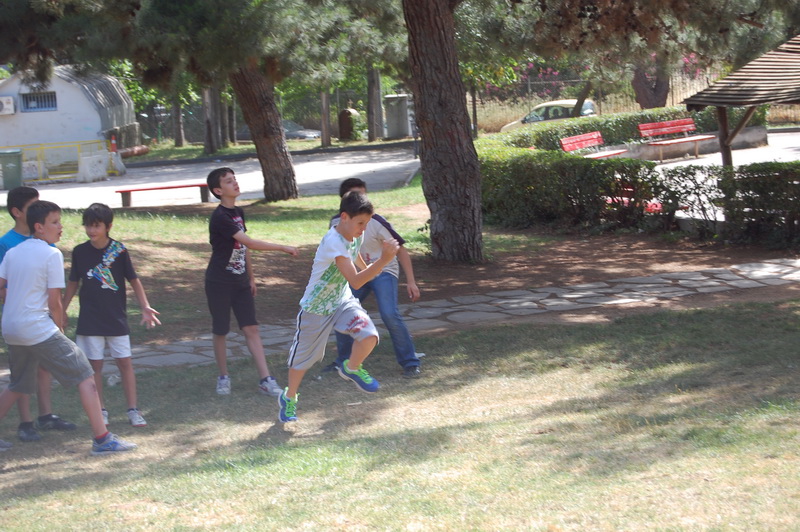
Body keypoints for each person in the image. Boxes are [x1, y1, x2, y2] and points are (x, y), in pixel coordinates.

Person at [0, 200, 136, 455]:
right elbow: (55, 302)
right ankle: (103, 440)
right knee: (86, 375)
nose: (60, 227)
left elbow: (1, 286)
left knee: (17, 384)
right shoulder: (52, 254)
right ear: (39, 227)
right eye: (55, 222)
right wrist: (60, 329)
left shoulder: (13, 253)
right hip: (37, 328)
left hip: (11, 328)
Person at [279, 190, 399, 422]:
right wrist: (383, 261)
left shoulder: (353, 235)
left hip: (342, 301)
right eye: (360, 223)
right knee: (303, 361)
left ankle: (351, 368)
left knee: (369, 336)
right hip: (316, 308)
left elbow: (356, 258)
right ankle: (289, 397)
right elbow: (356, 281)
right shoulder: (334, 242)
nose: (363, 229)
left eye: (366, 224)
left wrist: (369, 268)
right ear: (344, 217)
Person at [62, 203, 161, 428]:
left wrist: (145, 306)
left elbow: (134, 280)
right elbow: (73, 283)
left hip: (116, 317)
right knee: (94, 367)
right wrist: (62, 310)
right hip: (90, 319)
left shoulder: (119, 250)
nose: (91, 230)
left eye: (96, 226)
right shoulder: (79, 251)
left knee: (124, 363)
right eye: (88, 225)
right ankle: (101, 410)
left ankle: (133, 410)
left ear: (108, 226)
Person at [205, 167, 299, 397]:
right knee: (221, 330)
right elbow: (250, 242)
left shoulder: (238, 212)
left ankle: (266, 380)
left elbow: (242, 247)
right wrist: (282, 247)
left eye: (234, 179)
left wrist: (251, 277)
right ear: (218, 191)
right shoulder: (220, 217)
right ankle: (223, 376)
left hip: (240, 282)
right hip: (219, 282)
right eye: (229, 181)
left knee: (251, 328)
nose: (235, 183)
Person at [0, 186, 76, 443]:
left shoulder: (46, 243)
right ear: (17, 212)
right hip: (23, 321)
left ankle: (46, 415)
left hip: (43, 319)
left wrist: (57, 314)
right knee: (23, 375)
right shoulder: (7, 244)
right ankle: (26, 422)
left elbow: (51, 288)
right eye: (33, 206)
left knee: (44, 368)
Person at [326, 178, 423, 378]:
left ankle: (410, 362)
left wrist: (411, 282)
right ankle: (344, 362)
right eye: (356, 195)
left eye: (364, 195)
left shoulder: (377, 221)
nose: (362, 200)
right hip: (358, 273)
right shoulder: (336, 223)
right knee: (341, 311)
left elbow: (400, 250)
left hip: (383, 270)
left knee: (389, 313)